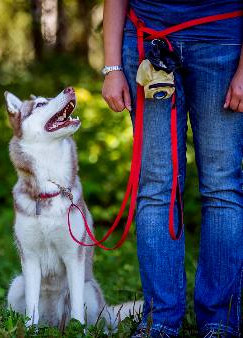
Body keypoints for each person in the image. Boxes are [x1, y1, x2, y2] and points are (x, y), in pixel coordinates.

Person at [101, 1, 243, 337]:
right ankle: (160, 320)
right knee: (155, 187)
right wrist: (112, 67)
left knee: (223, 186)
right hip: (148, 42)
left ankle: (221, 321)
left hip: (222, 43)